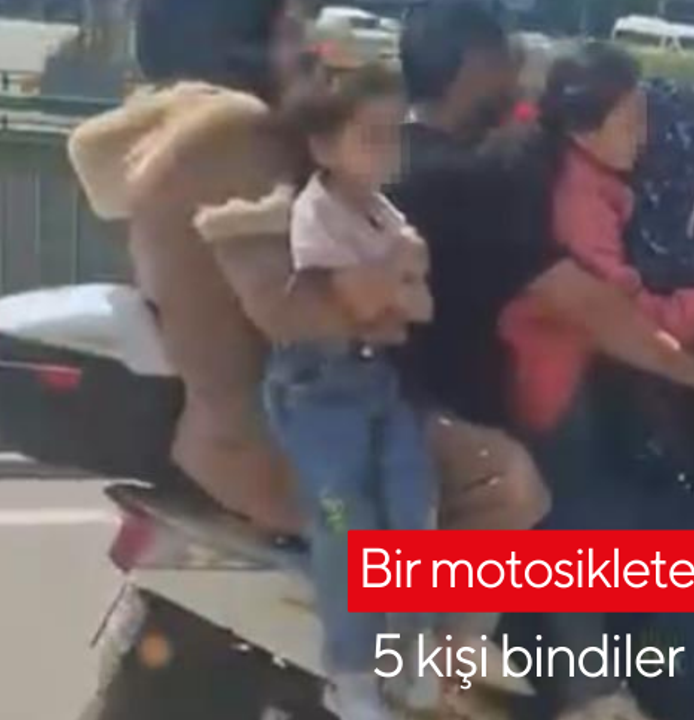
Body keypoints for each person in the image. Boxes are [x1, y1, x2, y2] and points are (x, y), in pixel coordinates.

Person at [389, 5, 694, 720]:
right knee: (684, 558)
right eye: (506, 58)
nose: (517, 74)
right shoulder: (469, 181)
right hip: (490, 443)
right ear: (473, 66)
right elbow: (596, 308)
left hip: (436, 426)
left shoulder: (398, 160)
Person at [66, 0, 548, 540]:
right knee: (503, 481)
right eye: (291, 31)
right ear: (234, 41)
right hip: (279, 437)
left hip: (267, 416)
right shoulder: (234, 134)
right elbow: (289, 304)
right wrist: (386, 285)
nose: (309, 49)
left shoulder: (174, 131)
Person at [493, 43, 694, 720]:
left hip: (570, 400)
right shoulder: (580, 201)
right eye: (629, 121)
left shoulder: (600, 190)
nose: (643, 137)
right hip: (559, 403)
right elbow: (624, 315)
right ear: (583, 126)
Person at [255, 64, 439, 720]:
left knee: (415, 508)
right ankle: (349, 673)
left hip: (376, 382)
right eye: (371, 136)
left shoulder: (385, 215)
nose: (388, 150)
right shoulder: (317, 212)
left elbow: (418, 308)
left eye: (395, 135)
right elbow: (361, 299)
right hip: (318, 392)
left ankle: (403, 655)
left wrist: (391, 285)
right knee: (345, 522)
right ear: (324, 146)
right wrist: (397, 268)